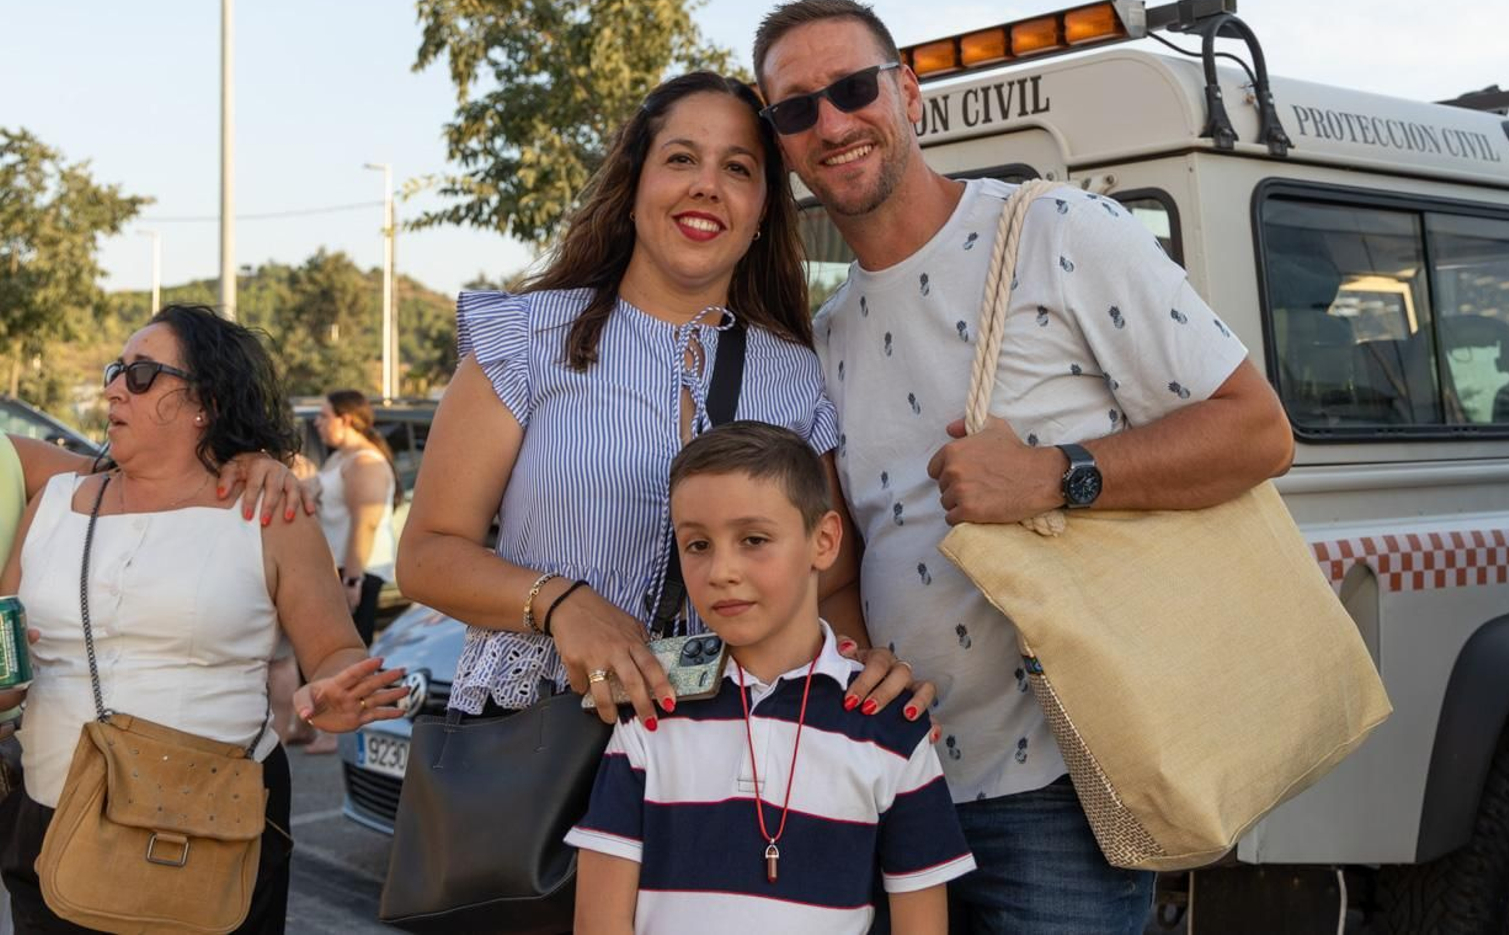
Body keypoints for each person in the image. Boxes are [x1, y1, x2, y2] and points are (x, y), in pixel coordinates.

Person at [752, 0, 1297, 933]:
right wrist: (857, 650)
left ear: (908, 94)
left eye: (851, 88)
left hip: (1059, 778)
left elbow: (1257, 432)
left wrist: (1054, 473)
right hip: (898, 775)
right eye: (797, 109)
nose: (832, 123)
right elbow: (847, 551)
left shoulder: (1059, 232)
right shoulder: (825, 335)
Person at [398, 70, 921, 733]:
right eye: (680, 158)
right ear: (635, 182)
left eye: (738, 167)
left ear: (763, 207)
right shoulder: (527, 338)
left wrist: (860, 668)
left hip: (731, 755)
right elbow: (426, 555)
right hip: (544, 745)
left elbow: (833, 582)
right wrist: (560, 603)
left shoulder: (797, 372)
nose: (707, 183)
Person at [0, 304, 408, 933]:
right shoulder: (53, 502)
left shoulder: (270, 511)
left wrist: (338, 688)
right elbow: (6, 657)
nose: (113, 387)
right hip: (49, 819)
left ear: (206, 401)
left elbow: (334, 652)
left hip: (206, 830)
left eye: (140, 374)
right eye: (116, 370)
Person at [566, 421, 973, 935]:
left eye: (753, 539)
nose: (721, 571)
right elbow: (598, 924)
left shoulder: (891, 726)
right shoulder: (652, 709)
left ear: (823, 541)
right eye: (697, 545)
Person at [310, 390, 400, 648]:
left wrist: (352, 580)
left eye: (324, 416)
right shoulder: (340, 457)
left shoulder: (365, 463)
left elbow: (365, 524)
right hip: (335, 568)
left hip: (356, 571)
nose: (318, 422)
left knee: (348, 654)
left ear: (346, 420)